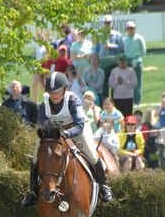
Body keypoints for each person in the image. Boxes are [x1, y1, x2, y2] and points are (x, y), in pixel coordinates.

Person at [21, 71, 114, 207]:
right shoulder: (44, 105)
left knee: (93, 155)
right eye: (51, 92)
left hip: (76, 129)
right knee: (36, 157)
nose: (54, 95)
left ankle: (103, 186)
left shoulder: (73, 100)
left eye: (57, 92)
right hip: (55, 133)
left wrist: (65, 133)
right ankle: (33, 192)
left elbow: (79, 126)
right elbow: (43, 128)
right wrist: (52, 135)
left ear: (64, 89)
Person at [95, 14, 123, 100]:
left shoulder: (117, 35)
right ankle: (105, 101)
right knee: (104, 83)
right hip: (103, 62)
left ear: (112, 23)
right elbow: (97, 49)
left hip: (113, 61)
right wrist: (96, 59)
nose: (107, 24)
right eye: (106, 22)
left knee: (114, 82)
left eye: (109, 22)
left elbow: (121, 48)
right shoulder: (99, 35)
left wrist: (111, 46)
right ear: (103, 23)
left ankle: (114, 101)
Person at [122, 20, 147, 106]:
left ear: (135, 29)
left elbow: (143, 51)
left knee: (137, 82)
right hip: (128, 62)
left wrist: (137, 58)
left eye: (132, 28)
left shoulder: (139, 38)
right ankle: (130, 100)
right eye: (129, 28)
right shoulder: (124, 39)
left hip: (137, 61)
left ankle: (137, 101)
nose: (130, 30)